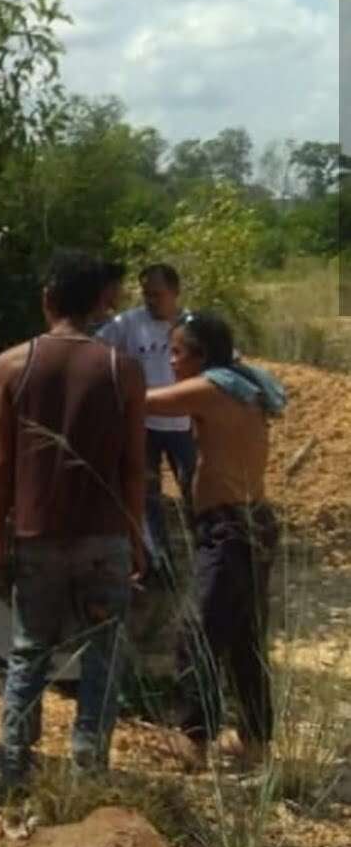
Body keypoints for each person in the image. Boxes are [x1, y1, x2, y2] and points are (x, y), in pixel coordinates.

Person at [0, 249, 146, 785]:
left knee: (29, 649)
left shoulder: (12, 365)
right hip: (104, 537)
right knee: (103, 654)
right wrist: (136, 535)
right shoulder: (122, 370)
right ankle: (88, 763)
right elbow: (133, 467)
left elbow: (3, 462)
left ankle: (14, 763)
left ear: (48, 299)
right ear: (101, 301)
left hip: (37, 534)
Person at [145, 311, 284, 770]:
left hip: (230, 530)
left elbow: (143, 402)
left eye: (178, 350)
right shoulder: (241, 381)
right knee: (244, 638)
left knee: (198, 633)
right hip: (249, 524)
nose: (172, 359)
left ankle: (194, 742)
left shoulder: (211, 388)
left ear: (202, 356)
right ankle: (255, 741)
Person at [98, 263, 194, 578]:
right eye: (146, 294)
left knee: (194, 489)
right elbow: (94, 351)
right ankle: (159, 564)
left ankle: (206, 553)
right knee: (148, 495)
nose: (151, 300)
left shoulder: (192, 325)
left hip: (185, 425)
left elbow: (224, 362)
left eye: (158, 294)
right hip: (143, 426)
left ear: (175, 292)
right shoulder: (126, 324)